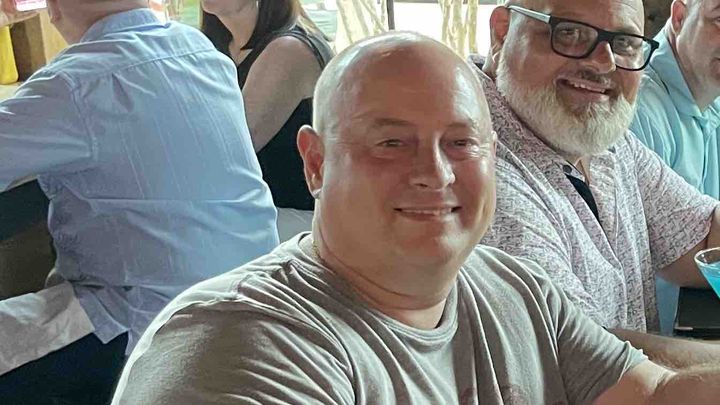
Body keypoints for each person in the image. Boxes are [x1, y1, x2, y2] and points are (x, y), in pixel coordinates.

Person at [112, 32, 720, 405]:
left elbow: (654, 394)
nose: (434, 172)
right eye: (391, 143)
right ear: (316, 163)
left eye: (460, 143)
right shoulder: (238, 347)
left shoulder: (513, 290)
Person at [0, 0, 279, 403]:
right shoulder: (198, 49)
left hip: (148, 325)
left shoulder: (75, 83)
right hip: (247, 302)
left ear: (54, 8)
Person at [479, 0, 720, 369]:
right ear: (502, 31)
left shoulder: (601, 138)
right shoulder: (474, 166)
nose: (602, 62)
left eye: (623, 43)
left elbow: (702, 238)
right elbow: (581, 356)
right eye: (569, 33)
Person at [202, 0, 334, 240]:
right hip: (253, 211)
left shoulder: (288, 50)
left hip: (300, 221)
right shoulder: (215, 48)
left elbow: (230, 153)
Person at [630, 0, 720, 335]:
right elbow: (694, 249)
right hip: (656, 347)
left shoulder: (710, 92)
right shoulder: (636, 110)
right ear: (679, 16)